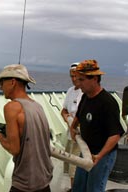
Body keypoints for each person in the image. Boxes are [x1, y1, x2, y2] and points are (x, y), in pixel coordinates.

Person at [0, 64, 53, 192]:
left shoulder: (11, 107)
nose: (0, 88)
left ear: (12, 82)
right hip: (44, 181)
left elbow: (14, 149)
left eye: (2, 83)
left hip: (25, 184)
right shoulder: (37, 106)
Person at [70, 60, 125, 192]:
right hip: (86, 151)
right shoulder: (85, 97)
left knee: (94, 188)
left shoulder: (108, 103)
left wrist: (99, 156)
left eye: (82, 80)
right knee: (78, 187)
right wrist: (73, 127)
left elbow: (115, 135)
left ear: (94, 79)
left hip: (102, 155)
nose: (78, 83)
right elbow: (78, 116)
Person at [61, 63, 83, 191]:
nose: (74, 79)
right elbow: (63, 110)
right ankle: (73, 188)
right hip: (70, 133)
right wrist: (68, 119)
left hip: (80, 135)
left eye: (76, 76)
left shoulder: (84, 92)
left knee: (75, 166)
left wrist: (73, 123)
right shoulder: (70, 91)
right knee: (69, 163)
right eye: (71, 76)